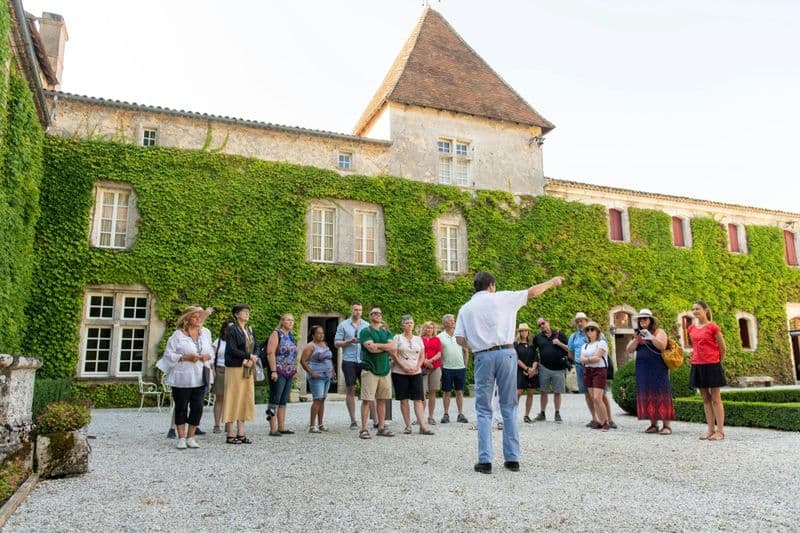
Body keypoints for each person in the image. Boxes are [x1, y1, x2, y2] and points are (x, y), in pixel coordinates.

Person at [455, 271, 564, 474]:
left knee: (483, 408)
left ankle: (485, 460)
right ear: (491, 285)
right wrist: (552, 281)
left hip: (482, 356)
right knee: (509, 406)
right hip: (506, 353)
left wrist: (478, 345)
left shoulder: (466, 308)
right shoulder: (502, 297)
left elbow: (459, 339)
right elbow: (531, 293)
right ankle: (512, 459)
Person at [163, 305, 214, 449]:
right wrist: (184, 357)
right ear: (187, 319)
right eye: (194, 316)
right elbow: (168, 355)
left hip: (200, 375)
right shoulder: (177, 336)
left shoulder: (206, 333)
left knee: (198, 407)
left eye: (199, 316)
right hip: (182, 378)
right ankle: (181, 437)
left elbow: (211, 352)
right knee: (181, 407)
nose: (198, 319)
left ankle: (191, 436)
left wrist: (207, 356)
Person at [626, 309, 673, 435]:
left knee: (661, 392)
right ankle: (653, 424)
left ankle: (666, 425)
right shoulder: (637, 333)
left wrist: (650, 337)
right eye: (640, 319)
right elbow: (629, 349)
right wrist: (637, 339)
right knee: (647, 393)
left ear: (651, 320)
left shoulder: (659, 331)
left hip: (657, 367)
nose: (642, 321)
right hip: (643, 368)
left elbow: (662, 346)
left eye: (645, 319)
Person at [568, 312, 618, 429]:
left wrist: (587, 359)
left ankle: (609, 419)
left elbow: (603, 353)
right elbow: (570, 352)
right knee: (587, 394)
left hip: (598, 368)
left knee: (601, 395)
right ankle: (595, 419)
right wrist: (583, 361)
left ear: (586, 321)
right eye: (578, 321)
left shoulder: (601, 338)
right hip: (582, 368)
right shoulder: (573, 337)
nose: (580, 323)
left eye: (582, 320)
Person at [688, 300, 727, 441]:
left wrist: (716, 362)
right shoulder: (691, 328)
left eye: (697, 308)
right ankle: (710, 430)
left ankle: (720, 431)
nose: (695, 311)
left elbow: (723, 348)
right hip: (697, 365)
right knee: (705, 399)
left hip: (712, 365)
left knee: (716, 399)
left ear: (705, 310)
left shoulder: (713, 327)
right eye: (693, 309)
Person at [358, 307, 396, 439]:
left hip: (385, 370)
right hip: (370, 370)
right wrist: (385, 347)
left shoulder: (386, 331)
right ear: (370, 316)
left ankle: (381, 427)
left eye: (380, 313)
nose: (378, 315)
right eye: (375, 313)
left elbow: (393, 348)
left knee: (382, 400)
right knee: (367, 400)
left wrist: (379, 346)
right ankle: (363, 429)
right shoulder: (365, 331)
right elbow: (371, 348)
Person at [392, 315, 434, 435]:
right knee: (404, 399)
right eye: (407, 323)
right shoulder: (397, 338)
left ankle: (422, 426)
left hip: (416, 372)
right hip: (400, 372)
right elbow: (394, 355)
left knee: (418, 399)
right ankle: (408, 426)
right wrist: (403, 366)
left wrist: (417, 367)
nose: (409, 325)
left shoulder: (418, 339)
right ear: (402, 325)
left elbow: (422, 355)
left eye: (411, 323)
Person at [334, 303, 373, 429]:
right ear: (351, 310)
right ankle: (353, 420)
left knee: (368, 390)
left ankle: (375, 420)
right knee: (350, 389)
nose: (358, 312)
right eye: (356, 309)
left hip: (363, 360)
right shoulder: (343, 325)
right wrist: (349, 341)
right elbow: (336, 343)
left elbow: (372, 341)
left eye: (360, 310)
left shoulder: (367, 325)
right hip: (349, 361)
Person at [223, 304, 258, 444]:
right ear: (237, 314)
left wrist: (253, 357)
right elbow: (231, 349)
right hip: (235, 367)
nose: (247, 314)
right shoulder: (232, 330)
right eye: (244, 312)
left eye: (248, 312)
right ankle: (230, 433)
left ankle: (241, 432)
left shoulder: (249, 329)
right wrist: (248, 356)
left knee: (245, 398)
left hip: (248, 368)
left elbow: (257, 347)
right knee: (234, 397)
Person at [265, 313, 298, 436]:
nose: (290, 322)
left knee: (283, 400)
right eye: (288, 320)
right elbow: (270, 352)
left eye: (292, 320)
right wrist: (273, 370)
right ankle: (273, 428)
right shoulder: (276, 334)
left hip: (289, 372)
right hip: (278, 370)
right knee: (275, 398)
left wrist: (294, 369)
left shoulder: (291, 336)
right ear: (282, 321)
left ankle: (282, 427)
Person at [533, 317, 569, 422]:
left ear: (548, 322)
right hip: (544, 368)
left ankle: (557, 413)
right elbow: (534, 353)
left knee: (557, 392)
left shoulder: (559, 334)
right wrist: (535, 365)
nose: (542, 326)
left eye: (543, 323)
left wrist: (559, 343)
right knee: (543, 391)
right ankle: (542, 413)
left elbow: (569, 349)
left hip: (558, 368)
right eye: (539, 325)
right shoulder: (538, 338)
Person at [301, 325, 334, 433]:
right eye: (318, 333)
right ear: (313, 334)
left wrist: (333, 370)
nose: (321, 335)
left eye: (322, 333)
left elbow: (329, 358)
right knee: (317, 399)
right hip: (317, 376)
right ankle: (312, 425)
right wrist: (311, 372)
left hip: (327, 376)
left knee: (323, 399)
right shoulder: (310, 346)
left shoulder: (324, 344)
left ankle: (321, 424)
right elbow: (303, 361)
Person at [579, 321, 611, 431]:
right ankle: (600, 421)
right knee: (593, 398)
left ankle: (606, 421)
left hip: (599, 370)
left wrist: (587, 360)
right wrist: (589, 359)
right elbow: (581, 359)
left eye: (592, 329)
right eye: (587, 330)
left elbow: (597, 358)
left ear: (597, 331)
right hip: (587, 371)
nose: (589, 331)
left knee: (598, 398)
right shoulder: (585, 345)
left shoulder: (601, 343)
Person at [438, 314, 469, 424]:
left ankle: (460, 414)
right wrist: (441, 367)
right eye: (450, 321)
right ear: (445, 323)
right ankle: (446, 414)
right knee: (447, 392)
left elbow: (466, 350)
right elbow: (439, 353)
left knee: (459, 391)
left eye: (453, 321)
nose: (453, 322)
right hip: (447, 368)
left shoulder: (459, 335)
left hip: (460, 368)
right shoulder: (440, 337)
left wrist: (465, 365)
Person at [211, 319, 234, 434]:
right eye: (229, 328)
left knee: (231, 399)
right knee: (220, 398)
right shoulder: (218, 342)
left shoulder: (236, 341)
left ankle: (228, 422)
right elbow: (211, 357)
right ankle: (217, 424)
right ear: (224, 329)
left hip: (233, 371)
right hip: (220, 369)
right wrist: (213, 370)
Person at [514, 323, 539, 423]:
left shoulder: (531, 345)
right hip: (520, 370)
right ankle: (512, 415)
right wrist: (526, 369)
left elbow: (535, 358)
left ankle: (526, 416)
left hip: (532, 372)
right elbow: (516, 359)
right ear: (519, 332)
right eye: (522, 330)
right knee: (518, 393)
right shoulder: (515, 345)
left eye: (526, 330)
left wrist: (533, 369)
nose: (524, 332)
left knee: (530, 393)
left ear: (528, 332)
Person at [420, 320, 443, 426]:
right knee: (422, 393)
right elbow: (419, 351)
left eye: (431, 328)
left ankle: (430, 417)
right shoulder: (419, 339)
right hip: (422, 368)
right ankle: (420, 417)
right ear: (424, 328)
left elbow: (439, 353)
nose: (429, 329)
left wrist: (431, 361)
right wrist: (425, 361)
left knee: (433, 392)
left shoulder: (437, 339)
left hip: (435, 367)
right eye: (428, 327)